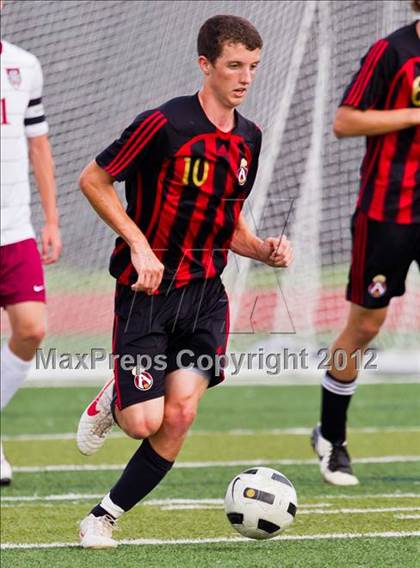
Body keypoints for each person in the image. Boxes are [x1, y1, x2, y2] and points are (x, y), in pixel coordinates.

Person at [76, 14, 293, 548]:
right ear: (206, 65)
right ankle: (116, 399)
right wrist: (139, 243)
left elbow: (230, 224)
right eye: (234, 66)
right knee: (142, 422)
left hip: (204, 297)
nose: (245, 78)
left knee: (182, 413)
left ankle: (101, 518)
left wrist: (263, 249)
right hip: (146, 293)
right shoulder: (163, 124)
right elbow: (94, 179)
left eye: (254, 67)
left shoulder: (249, 139)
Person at [311, 3, 420, 486]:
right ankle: (331, 437)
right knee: (365, 327)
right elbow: (345, 121)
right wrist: (413, 116)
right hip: (387, 212)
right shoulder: (391, 51)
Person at [0, 25, 62, 482]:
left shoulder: (25, 65)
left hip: (15, 228)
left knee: (32, 329)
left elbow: (38, 144)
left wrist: (52, 218)